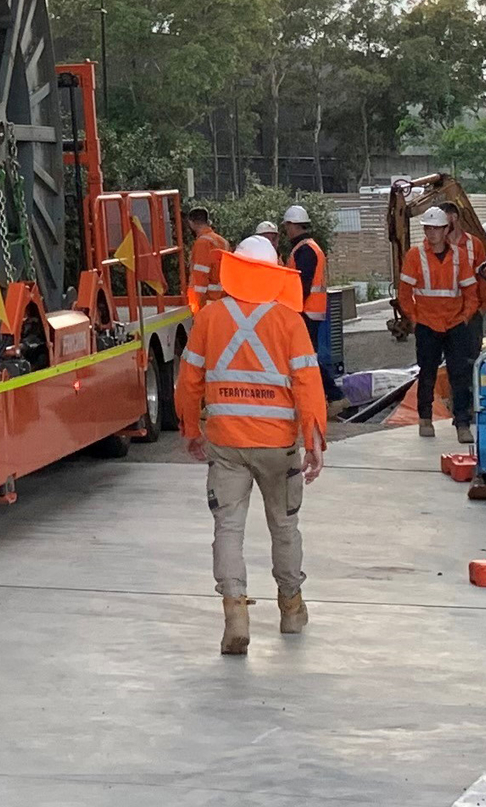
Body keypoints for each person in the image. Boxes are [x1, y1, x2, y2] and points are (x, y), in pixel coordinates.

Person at [179, 234, 332, 655]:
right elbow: (307, 384)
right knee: (284, 527)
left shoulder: (209, 318)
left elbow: (189, 380)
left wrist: (192, 429)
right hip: (278, 447)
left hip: (227, 445)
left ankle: (235, 613)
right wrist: (314, 441)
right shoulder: (288, 320)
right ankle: (291, 608)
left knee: (227, 528)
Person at [398, 206, 486, 442]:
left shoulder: (459, 256)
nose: (431, 233)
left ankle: (462, 423)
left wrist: (466, 316)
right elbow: (405, 293)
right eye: (428, 228)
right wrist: (415, 319)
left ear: (446, 229)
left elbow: (470, 290)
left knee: (459, 374)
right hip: (428, 324)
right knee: (426, 372)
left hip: (454, 323)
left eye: (436, 228)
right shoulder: (415, 255)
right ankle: (425, 418)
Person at [279, 206, 339, 400]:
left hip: (306, 312)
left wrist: (292, 311)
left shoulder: (304, 250)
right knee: (308, 357)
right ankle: (327, 396)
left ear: (293, 225)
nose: (286, 231)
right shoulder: (308, 247)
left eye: (287, 226)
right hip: (311, 311)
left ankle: (333, 395)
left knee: (307, 358)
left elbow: (301, 285)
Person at [184, 207, 230, 310]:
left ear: (191, 223)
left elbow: (200, 276)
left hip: (209, 300)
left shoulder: (202, 243)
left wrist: (198, 305)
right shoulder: (223, 242)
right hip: (224, 298)